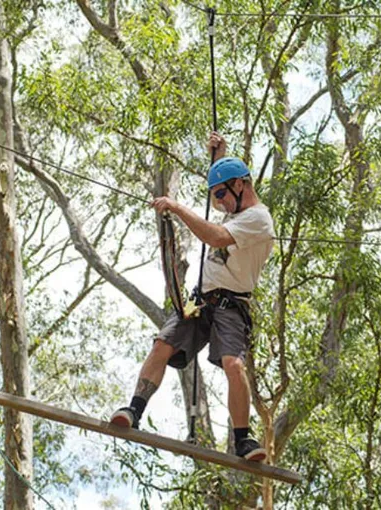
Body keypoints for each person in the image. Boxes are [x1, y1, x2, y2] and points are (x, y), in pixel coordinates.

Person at [111, 132, 275, 462]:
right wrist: (220, 156)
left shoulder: (258, 218)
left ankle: (243, 439)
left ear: (241, 186)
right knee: (162, 344)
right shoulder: (236, 207)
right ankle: (134, 409)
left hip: (232, 304)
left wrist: (176, 206)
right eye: (214, 197)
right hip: (199, 300)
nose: (219, 203)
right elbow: (225, 186)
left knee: (233, 363)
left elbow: (215, 237)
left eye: (221, 195)